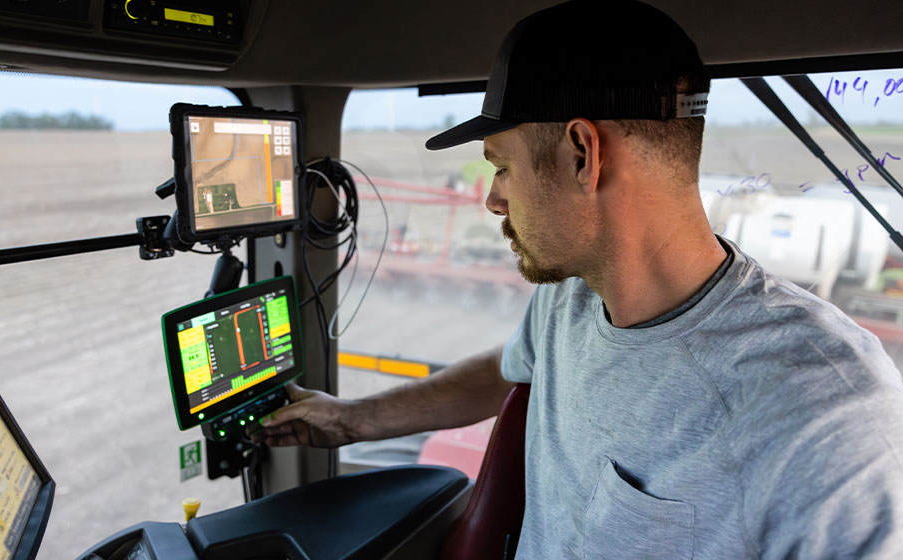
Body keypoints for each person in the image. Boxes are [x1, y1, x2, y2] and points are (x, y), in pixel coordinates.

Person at [252, 0, 903, 557]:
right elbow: (508, 370)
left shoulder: (825, 411)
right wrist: (348, 421)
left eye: (501, 166)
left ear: (581, 155)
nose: (493, 199)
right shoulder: (571, 297)